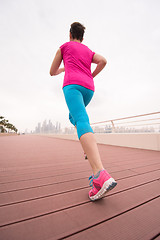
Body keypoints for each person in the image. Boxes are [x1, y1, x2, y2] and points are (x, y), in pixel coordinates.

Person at [50, 22, 117, 201]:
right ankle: (88, 149)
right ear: (83, 37)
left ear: (70, 34)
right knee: (74, 117)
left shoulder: (64, 47)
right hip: (89, 88)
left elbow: (52, 71)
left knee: (80, 119)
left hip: (72, 85)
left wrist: (66, 67)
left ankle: (99, 174)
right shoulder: (88, 51)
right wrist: (91, 75)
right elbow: (103, 60)